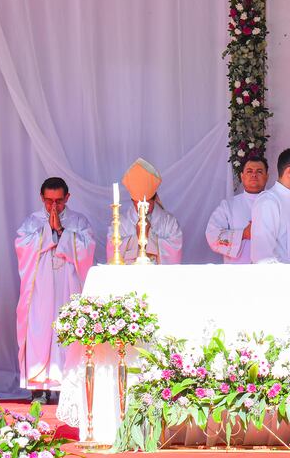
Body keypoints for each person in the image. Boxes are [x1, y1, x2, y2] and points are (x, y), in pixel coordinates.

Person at [15, 177, 95, 403]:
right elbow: (22, 246)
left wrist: (61, 231)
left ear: (67, 198)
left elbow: (87, 248)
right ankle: (39, 389)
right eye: (49, 201)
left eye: (58, 202)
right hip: (40, 287)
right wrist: (46, 233)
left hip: (67, 286)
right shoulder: (32, 222)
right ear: (42, 198)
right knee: (39, 330)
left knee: (65, 331)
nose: (53, 207)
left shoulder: (78, 221)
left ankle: (66, 387)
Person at [107, 158, 182, 264]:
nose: (141, 208)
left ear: (155, 198)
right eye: (137, 203)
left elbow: (175, 251)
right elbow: (112, 250)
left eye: (146, 203)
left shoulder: (169, 223)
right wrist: (138, 237)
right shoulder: (121, 223)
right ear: (132, 200)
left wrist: (148, 237)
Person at [206, 157, 269, 263]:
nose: (254, 175)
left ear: (267, 176)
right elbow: (212, 235)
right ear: (242, 176)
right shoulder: (228, 206)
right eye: (249, 171)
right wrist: (244, 234)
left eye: (259, 171)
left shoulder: (278, 205)